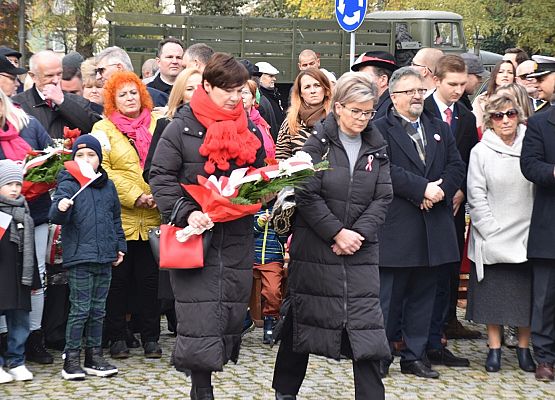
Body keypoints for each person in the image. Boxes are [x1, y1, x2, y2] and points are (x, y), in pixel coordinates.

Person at [149, 52, 265, 400]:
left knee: (230, 314)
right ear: (207, 86)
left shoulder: (249, 127)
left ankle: (207, 380)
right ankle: (202, 390)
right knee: (199, 319)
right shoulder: (179, 127)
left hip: (236, 236)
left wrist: (263, 190)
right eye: (227, 89)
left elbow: (258, 173)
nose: (235, 97)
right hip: (196, 238)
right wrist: (186, 210)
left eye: (240, 90)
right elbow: (160, 176)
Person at [272, 71, 392, 400]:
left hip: (361, 252)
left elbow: (383, 196)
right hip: (316, 249)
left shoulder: (377, 146)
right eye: (356, 111)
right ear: (338, 107)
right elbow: (306, 194)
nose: (362, 118)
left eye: (368, 112)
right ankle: (285, 392)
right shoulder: (317, 144)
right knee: (302, 321)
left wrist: (358, 234)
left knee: (367, 329)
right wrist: (336, 232)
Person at [374, 67, 465, 379]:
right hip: (399, 227)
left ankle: (415, 356)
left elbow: (456, 165)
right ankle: (380, 356)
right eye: (410, 91)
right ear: (394, 96)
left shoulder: (439, 127)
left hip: (433, 227)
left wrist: (439, 191)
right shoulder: (379, 129)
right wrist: (421, 190)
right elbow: (384, 169)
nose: (417, 96)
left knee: (424, 298)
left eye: (420, 91)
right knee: (389, 299)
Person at [89, 71, 161, 360]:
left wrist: (158, 193)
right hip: (119, 219)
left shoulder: (158, 124)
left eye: (134, 92)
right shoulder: (102, 129)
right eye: (123, 94)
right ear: (112, 100)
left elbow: (168, 160)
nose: (130, 98)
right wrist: (135, 195)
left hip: (154, 217)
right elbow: (102, 170)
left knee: (150, 283)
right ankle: (117, 337)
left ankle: (152, 338)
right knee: (117, 283)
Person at [466, 93, 535, 373]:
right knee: (492, 296)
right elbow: (476, 193)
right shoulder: (481, 151)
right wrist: (490, 229)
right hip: (492, 232)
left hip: (527, 232)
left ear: (519, 116)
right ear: (489, 121)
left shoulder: (531, 145)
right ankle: (493, 349)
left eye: (510, 114)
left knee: (525, 297)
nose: (505, 120)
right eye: (498, 116)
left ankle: (523, 348)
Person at [49, 135, 126, 380]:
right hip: (80, 257)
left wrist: (119, 246)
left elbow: (115, 218)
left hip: (104, 256)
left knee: (98, 309)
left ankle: (94, 356)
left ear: (99, 159)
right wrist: (60, 207)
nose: (86, 160)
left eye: (91, 155)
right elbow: (55, 214)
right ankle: (71, 359)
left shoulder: (108, 185)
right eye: (80, 155)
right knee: (80, 309)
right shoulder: (70, 183)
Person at [424, 54, 481, 350]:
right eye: (453, 84)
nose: (459, 90)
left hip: (454, 204)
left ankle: (446, 321)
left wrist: (460, 189)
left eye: (462, 84)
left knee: (448, 264)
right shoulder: (422, 109)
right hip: (423, 200)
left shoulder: (466, 116)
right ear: (436, 80)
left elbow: (469, 159)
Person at [0, 89, 54, 364]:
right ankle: (5, 343)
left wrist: (38, 175)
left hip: (34, 213)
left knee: (35, 276)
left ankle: (33, 337)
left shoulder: (28, 123)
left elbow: (51, 157)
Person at [520, 55, 555, 382]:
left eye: (542, 78)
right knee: (545, 298)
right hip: (550, 227)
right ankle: (545, 357)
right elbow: (529, 165)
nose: (537, 85)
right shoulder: (541, 122)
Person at [0, 160, 37, 383]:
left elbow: (29, 249)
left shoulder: (24, 210)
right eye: (9, 184)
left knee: (20, 320)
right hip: (2, 276)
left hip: (19, 275)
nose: (15, 189)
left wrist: (32, 279)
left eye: (18, 183)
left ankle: (17, 360)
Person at [12, 50, 100, 139]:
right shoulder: (17, 104)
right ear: (33, 76)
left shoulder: (78, 101)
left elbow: (96, 129)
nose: (56, 80)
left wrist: (63, 102)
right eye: (49, 76)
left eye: (59, 74)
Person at [143, 68, 202, 183]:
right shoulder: (166, 124)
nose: (196, 93)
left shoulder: (217, 124)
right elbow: (149, 171)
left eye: (201, 88)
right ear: (180, 94)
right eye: (189, 89)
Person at [275, 68, 331, 160]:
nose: (313, 91)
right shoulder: (291, 121)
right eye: (307, 87)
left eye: (317, 85)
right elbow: (281, 159)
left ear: (325, 89)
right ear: (300, 93)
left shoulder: (338, 118)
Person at [253, 206, 286, 344]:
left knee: (273, 291)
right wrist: (259, 223)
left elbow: (285, 236)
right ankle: (244, 319)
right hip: (250, 257)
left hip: (272, 259)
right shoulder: (252, 207)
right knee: (237, 288)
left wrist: (278, 223)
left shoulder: (282, 208)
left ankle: (270, 319)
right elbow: (246, 233)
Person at [95, 46, 168, 107]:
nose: (98, 77)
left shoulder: (156, 99)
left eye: (101, 70)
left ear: (119, 68)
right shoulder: (103, 99)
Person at [351, 51, 399, 120]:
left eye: (365, 77)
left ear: (383, 80)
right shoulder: (374, 104)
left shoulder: (389, 111)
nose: (359, 82)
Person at [472, 60, 516, 132]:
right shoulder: (481, 99)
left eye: (510, 72)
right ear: (495, 75)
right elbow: (477, 126)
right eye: (501, 72)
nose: (505, 75)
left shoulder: (520, 98)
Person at [242, 79, 275, 159]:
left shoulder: (262, 123)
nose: (241, 96)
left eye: (245, 92)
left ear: (253, 99)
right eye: (238, 92)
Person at [256, 61, 285, 140]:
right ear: (260, 77)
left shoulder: (273, 95)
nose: (274, 79)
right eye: (270, 76)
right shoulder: (260, 99)